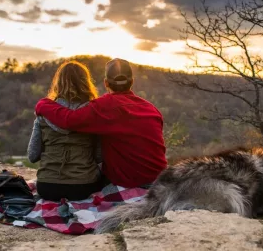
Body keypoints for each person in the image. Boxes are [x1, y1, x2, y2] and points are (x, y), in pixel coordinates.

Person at [35, 58, 167, 188]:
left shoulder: (103, 107)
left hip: (131, 181)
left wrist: (43, 104)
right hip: (161, 180)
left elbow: (68, 120)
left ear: (106, 83)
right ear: (132, 81)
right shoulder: (152, 109)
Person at [27, 61, 103, 201]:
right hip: (83, 187)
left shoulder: (44, 114)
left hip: (47, 186)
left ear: (59, 82)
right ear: (85, 82)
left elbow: (32, 155)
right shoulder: (92, 114)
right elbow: (99, 156)